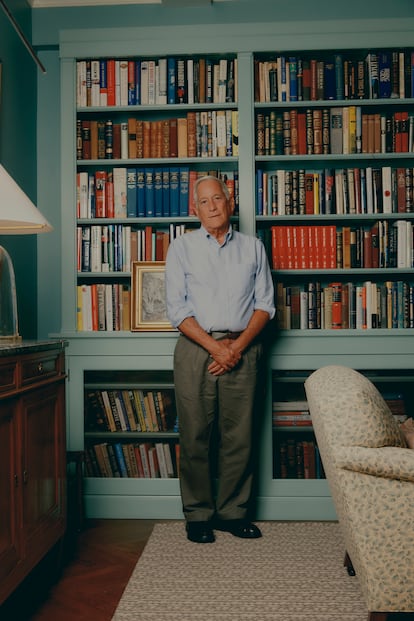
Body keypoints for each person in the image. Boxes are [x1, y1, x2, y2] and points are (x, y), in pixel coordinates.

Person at [165, 175, 275, 544]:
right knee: (195, 435)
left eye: (218, 199)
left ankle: (232, 513)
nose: (212, 206)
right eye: (204, 201)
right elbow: (177, 310)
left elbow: (265, 305)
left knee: (239, 436)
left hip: (244, 346)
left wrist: (236, 347)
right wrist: (216, 349)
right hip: (197, 349)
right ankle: (198, 515)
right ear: (194, 209)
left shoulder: (253, 247)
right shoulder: (181, 248)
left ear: (230, 203)